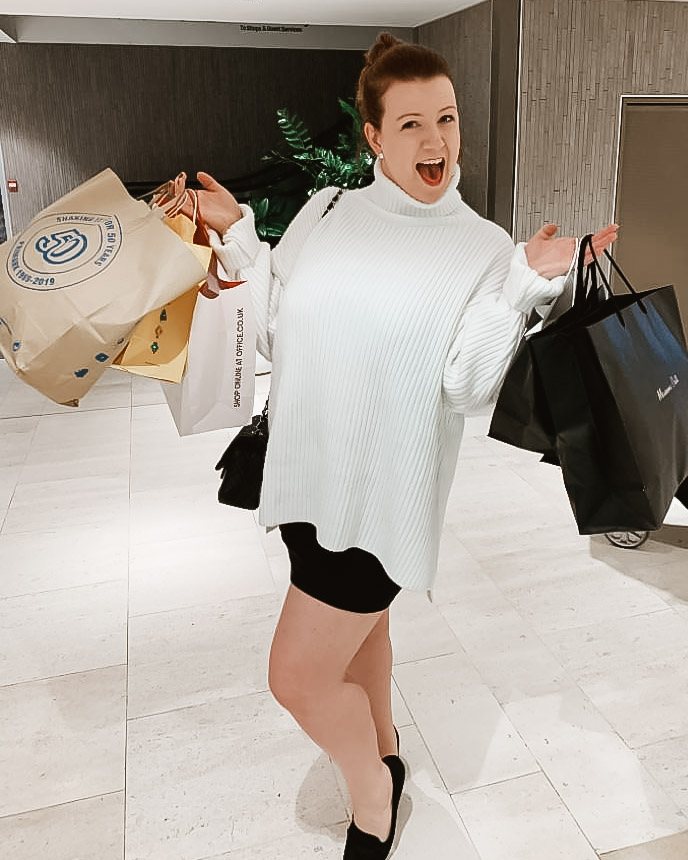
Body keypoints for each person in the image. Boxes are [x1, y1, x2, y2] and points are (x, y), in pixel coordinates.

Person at [182, 34, 618, 860]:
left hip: (384, 497)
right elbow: (277, 319)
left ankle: (372, 794)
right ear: (374, 137)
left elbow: (467, 387)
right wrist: (239, 232)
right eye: (411, 122)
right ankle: (384, 747)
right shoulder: (327, 211)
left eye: (447, 119)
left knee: (297, 677)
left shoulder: (483, 248)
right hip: (308, 477)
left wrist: (526, 282)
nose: (436, 141)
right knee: (367, 637)